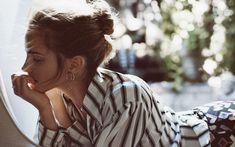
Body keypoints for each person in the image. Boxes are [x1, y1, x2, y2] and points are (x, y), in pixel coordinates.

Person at [11, 0, 235, 146]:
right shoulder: (63, 98)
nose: (25, 68)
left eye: (37, 58)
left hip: (220, 134)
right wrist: (46, 108)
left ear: (74, 64)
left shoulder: (127, 99)